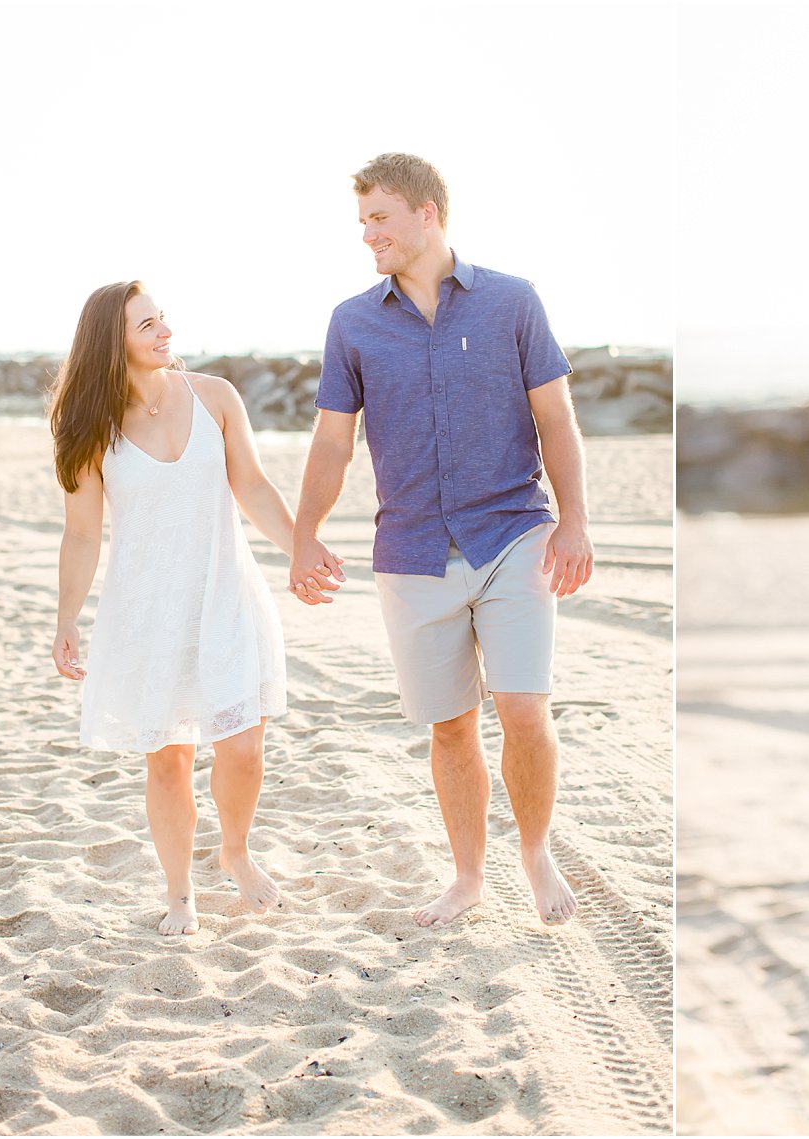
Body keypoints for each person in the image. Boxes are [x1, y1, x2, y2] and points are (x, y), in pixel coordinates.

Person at [290, 152, 592, 928]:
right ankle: (467, 876)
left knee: (523, 707)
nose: (368, 235)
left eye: (380, 217)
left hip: (512, 532)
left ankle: (534, 850)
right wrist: (305, 533)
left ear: (429, 214)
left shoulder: (512, 302)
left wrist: (576, 520)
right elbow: (331, 442)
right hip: (412, 550)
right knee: (452, 724)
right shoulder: (352, 323)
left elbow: (556, 418)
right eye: (361, 222)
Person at [50, 281, 302, 936]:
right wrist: (66, 619)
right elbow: (82, 533)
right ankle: (180, 893)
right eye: (148, 325)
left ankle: (235, 850)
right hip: (147, 615)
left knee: (243, 748)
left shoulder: (214, 396)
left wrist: (303, 547)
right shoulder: (90, 431)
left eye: (163, 319)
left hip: (226, 596)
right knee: (169, 759)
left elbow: (251, 483)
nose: (165, 332)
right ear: (114, 344)